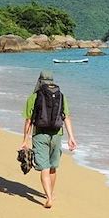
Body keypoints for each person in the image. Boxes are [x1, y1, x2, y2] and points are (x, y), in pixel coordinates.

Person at [20, 71, 77, 208]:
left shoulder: (33, 97)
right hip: (57, 135)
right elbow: (66, 117)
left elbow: (28, 121)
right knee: (53, 167)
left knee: (44, 168)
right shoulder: (61, 96)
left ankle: (49, 198)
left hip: (40, 135)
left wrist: (25, 140)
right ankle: (50, 193)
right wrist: (71, 137)